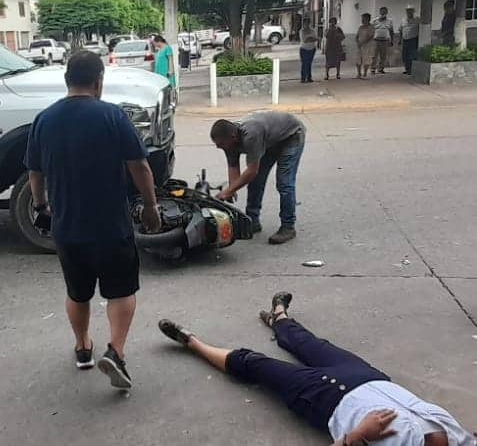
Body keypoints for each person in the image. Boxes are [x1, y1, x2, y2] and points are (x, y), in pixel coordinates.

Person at [158, 292, 476, 446]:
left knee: (256, 365)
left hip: (325, 399)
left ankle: (191, 342)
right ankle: (279, 314)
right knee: (307, 343)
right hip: (369, 378)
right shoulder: (464, 440)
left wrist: (357, 436)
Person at [24, 52, 162, 390]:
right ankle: (115, 351)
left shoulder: (44, 119)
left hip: (67, 227)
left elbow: (35, 171)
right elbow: (140, 166)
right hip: (110, 225)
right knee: (121, 290)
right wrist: (151, 206)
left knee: (78, 292)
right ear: (99, 81)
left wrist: (42, 205)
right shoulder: (112, 115)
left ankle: (83, 348)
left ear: (67, 80)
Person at [210, 111, 306, 244]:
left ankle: (288, 227)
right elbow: (233, 167)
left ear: (232, 137)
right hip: (269, 141)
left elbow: (251, 171)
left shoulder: (251, 136)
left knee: (284, 183)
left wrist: (227, 191)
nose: (218, 146)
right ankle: (252, 221)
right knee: (256, 182)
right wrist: (231, 190)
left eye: (220, 144)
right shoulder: (229, 143)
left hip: (291, 136)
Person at [373, 7, 396, 74]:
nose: (383, 13)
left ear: (387, 12)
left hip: (385, 40)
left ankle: (381, 68)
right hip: (376, 40)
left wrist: (392, 40)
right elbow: (371, 30)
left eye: (384, 12)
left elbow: (391, 31)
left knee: (383, 56)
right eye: (382, 12)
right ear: (379, 12)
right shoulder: (375, 20)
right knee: (374, 55)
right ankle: (373, 68)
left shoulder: (389, 21)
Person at [299, 17, 320, 83]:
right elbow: (304, 40)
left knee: (309, 63)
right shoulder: (302, 31)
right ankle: (303, 78)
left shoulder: (312, 30)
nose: (306, 24)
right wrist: (311, 38)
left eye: (308, 23)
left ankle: (309, 78)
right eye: (305, 23)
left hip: (312, 49)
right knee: (304, 63)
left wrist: (310, 38)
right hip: (304, 49)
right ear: (303, 24)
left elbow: (316, 39)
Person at [356, 14, 376, 79]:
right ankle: (359, 74)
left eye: (363, 19)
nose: (362, 20)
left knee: (366, 60)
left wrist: (363, 43)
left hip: (368, 46)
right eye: (362, 19)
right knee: (358, 59)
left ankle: (365, 73)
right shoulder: (360, 27)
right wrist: (358, 42)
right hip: (360, 46)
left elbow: (371, 36)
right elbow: (357, 36)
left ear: (367, 19)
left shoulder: (371, 27)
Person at [402, 6, 420, 75]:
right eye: (407, 11)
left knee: (412, 55)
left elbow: (420, 29)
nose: (409, 12)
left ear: (413, 11)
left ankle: (412, 70)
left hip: (413, 40)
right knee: (405, 55)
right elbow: (401, 29)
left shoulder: (417, 19)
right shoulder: (403, 19)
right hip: (405, 40)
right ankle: (407, 69)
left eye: (410, 11)